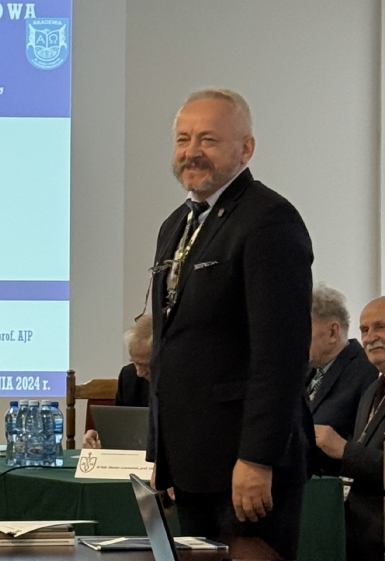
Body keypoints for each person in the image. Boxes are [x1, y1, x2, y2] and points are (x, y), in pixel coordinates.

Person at [148, 88, 313, 560]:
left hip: (246, 464)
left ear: (246, 148)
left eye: (208, 139)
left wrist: (257, 458)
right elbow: (169, 345)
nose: (192, 152)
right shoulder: (175, 224)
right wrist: (163, 457)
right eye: (183, 139)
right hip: (192, 463)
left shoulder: (269, 220)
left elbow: (280, 356)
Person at [314, 296, 385, 561]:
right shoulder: (372, 391)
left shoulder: (361, 379)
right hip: (357, 537)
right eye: (364, 329)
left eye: (380, 327)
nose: (370, 337)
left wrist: (343, 449)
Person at [307, 283, 376, 445]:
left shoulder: (367, 370)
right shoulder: (305, 369)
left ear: (333, 332)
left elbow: (365, 443)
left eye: (304, 331)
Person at [83, 314, 151, 449]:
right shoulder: (129, 377)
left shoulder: (184, 384)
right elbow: (121, 428)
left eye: (145, 365)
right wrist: (100, 437)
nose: (139, 372)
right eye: (135, 363)